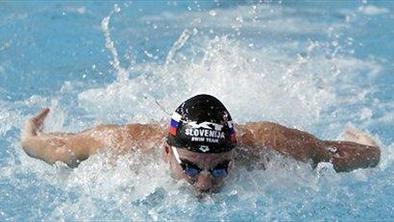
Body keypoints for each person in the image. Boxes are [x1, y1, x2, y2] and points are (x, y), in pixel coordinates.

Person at [21, 94, 380, 193]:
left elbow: (345, 155)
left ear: (235, 152)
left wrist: (369, 146)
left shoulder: (272, 143)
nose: (205, 183)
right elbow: (50, 148)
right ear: (166, 152)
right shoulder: (120, 145)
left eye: (221, 167)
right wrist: (29, 132)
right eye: (190, 167)